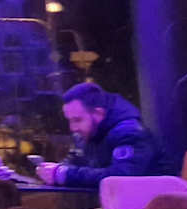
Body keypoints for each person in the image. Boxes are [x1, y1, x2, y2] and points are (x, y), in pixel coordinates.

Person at [34, 81, 170, 189]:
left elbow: (121, 178)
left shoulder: (130, 133)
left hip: (152, 208)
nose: (73, 128)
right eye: (69, 121)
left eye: (77, 120)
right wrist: (52, 171)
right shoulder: (87, 135)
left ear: (99, 113)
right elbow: (73, 164)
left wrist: (64, 174)